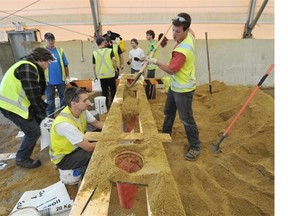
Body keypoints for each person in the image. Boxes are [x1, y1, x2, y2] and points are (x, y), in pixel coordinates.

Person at [146, 12, 200, 161]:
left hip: (184, 89)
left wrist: (154, 61)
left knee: (186, 119)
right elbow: (192, 30)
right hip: (175, 86)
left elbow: (171, 69)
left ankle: (195, 147)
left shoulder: (182, 51)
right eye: (173, 30)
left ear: (186, 30)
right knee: (169, 111)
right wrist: (180, 18)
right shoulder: (190, 35)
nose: (174, 34)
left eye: (178, 31)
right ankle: (166, 133)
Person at [0, 47, 54, 168]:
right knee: (33, 131)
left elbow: (34, 93)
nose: (48, 66)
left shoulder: (28, 65)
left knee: (33, 127)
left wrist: (41, 110)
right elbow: (33, 96)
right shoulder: (28, 68)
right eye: (48, 62)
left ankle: (25, 153)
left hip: (17, 104)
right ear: (41, 60)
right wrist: (41, 115)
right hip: (11, 106)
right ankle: (22, 158)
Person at [49, 87, 104, 184]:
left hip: (75, 146)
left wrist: (112, 129)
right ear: (73, 103)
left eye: (87, 99)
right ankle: (85, 177)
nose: (88, 102)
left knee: (98, 134)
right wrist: (109, 141)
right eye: (84, 100)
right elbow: (88, 147)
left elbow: (96, 123)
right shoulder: (65, 124)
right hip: (64, 158)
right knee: (89, 153)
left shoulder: (82, 110)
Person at [44, 32, 70, 116]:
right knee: (50, 100)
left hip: (60, 79)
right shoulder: (42, 52)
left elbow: (65, 65)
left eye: (52, 40)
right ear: (45, 41)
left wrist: (67, 77)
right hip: (48, 81)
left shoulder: (60, 51)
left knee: (63, 98)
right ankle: (50, 117)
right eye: (48, 40)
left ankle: (64, 115)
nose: (51, 42)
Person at [93, 36, 118, 109]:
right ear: (102, 42)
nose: (105, 42)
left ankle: (105, 106)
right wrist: (116, 69)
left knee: (104, 91)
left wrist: (96, 75)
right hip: (110, 75)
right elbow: (114, 60)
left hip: (101, 76)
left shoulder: (94, 53)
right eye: (104, 41)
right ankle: (114, 106)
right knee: (113, 90)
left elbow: (94, 66)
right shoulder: (109, 51)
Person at [145, 30, 159, 99]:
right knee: (150, 80)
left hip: (152, 65)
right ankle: (150, 95)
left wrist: (146, 58)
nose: (146, 36)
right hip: (149, 65)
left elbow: (151, 53)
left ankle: (149, 96)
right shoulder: (149, 44)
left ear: (151, 36)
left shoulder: (153, 44)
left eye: (147, 35)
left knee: (150, 81)